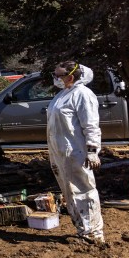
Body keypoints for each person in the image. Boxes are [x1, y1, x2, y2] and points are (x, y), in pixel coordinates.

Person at [48, 61, 105, 245]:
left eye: (59, 75)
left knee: (84, 191)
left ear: (71, 77)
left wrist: (92, 150)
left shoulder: (82, 94)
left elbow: (91, 125)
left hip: (76, 153)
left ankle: (93, 235)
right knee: (71, 193)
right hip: (61, 153)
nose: (55, 78)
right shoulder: (63, 95)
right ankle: (83, 231)